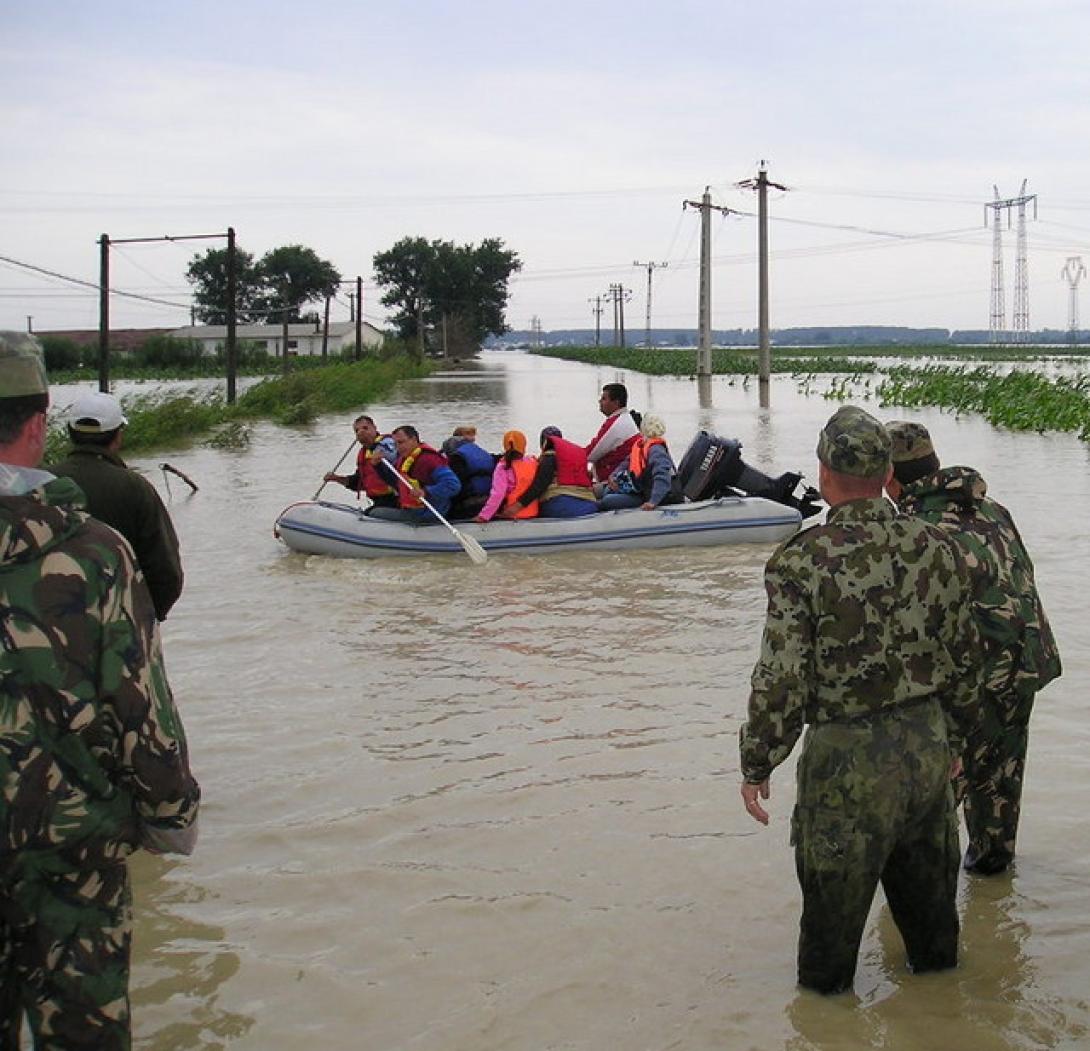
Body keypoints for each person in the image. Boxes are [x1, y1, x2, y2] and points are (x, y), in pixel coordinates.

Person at [0, 332, 200, 1049]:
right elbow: (143, 708)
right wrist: (171, 812)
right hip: (70, 839)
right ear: (35, 421)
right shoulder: (97, 547)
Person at [739, 406, 982, 995]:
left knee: (828, 952)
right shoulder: (941, 546)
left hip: (845, 764)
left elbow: (782, 676)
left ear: (824, 473)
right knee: (934, 943)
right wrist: (958, 743)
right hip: (927, 751)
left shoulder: (802, 559)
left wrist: (757, 761)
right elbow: (968, 657)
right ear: (883, 474)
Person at [885, 420, 1061, 876]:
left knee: (927, 814)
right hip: (1022, 668)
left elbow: (911, 629)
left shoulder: (912, 530)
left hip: (968, 685)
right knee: (998, 798)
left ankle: (920, 926)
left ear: (889, 477)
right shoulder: (995, 510)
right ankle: (994, 901)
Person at [49, 390, 185, 622]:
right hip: (119, 630)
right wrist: (142, 623)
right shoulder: (135, 488)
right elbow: (166, 574)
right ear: (118, 436)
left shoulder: (41, 482)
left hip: (48, 627)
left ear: (70, 433)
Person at [368, 425, 461, 524]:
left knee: (374, 513)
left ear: (414, 439)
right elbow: (396, 483)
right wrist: (377, 466)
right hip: (412, 510)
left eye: (401, 442)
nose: (398, 448)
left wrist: (425, 492)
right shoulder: (404, 459)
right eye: (395, 444)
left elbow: (453, 485)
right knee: (377, 509)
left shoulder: (430, 460)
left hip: (428, 514)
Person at [501, 426, 597, 519]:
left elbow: (539, 485)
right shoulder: (574, 458)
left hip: (561, 506)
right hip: (589, 505)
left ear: (542, 444)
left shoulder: (548, 458)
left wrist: (516, 507)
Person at [597, 413, 683, 511]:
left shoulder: (656, 450)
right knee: (608, 490)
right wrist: (613, 476)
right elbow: (627, 462)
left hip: (649, 495)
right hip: (641, 489)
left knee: (608, 501)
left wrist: (653, 502)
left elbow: (662, 476)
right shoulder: (641, 446)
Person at [323, 414, 398, 511]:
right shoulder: (363, 454)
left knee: (371, 512)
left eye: (365, 428)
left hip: (396, 499)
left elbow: (392, 452)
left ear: (374, 428)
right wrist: (337, 478)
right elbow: (358, 482)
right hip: (379, 502)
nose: (361, 432)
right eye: (357, 431)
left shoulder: (387, 443)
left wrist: (374, 447)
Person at [474, 430, 539, 522]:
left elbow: (498, 494)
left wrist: (484, 516)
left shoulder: (503, 467)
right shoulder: (533, 462)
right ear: (524, 445)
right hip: (533, 512)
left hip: (510, 514)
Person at [584, 383, 639, 483]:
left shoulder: (616, 424)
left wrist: (568, 455)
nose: (600, 401)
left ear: (616, 403)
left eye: (604, 399)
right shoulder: (624, 418)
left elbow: (590, 454)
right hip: (618, 478)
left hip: (614, 482)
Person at [441, 427, 496, 520]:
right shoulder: (483, 454)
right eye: (469, 435)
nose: (472, 438)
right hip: (488, 500)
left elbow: (455, 487)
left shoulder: (457, 458)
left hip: (469, 503)